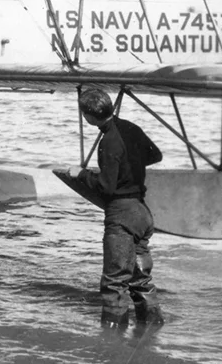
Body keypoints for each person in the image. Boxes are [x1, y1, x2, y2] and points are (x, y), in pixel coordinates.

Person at [70, 88, 164, 328]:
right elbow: (156, 155)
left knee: (114, 283)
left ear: (89, 117)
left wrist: (82, 175)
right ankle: (152, 328)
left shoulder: (108, 141)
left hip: (121, 216)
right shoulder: (130, 127)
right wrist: (130, 168)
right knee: (140, 278)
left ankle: (111, 344)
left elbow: (107, 188)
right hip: (143, 213)